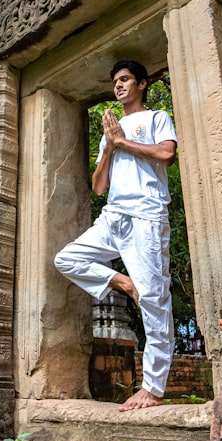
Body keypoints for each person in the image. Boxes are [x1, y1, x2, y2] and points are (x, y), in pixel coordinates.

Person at [54, 60, 177, 411]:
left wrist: (124, 142)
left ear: (141, 83)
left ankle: (153, 389)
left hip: (146, 214)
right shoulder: (112, 132)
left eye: (124, 80)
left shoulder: (156, 118)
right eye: (115, 82)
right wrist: (109, 146)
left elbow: (167, 154)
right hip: (114, 216)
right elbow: (97, 186)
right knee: (67, 258)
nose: (118, 86)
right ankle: (123, 282)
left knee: (154, 297)